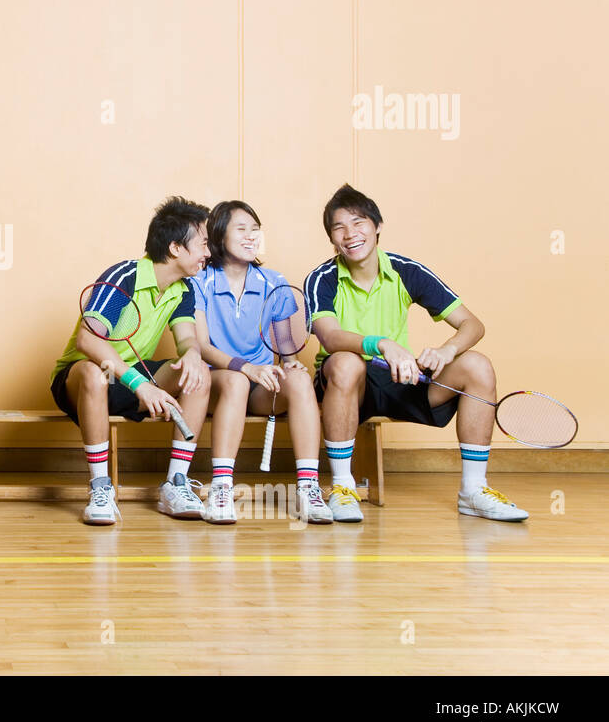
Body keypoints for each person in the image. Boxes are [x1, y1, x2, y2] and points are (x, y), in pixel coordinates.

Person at [304, 185, 527, 522]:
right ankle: (342, 487)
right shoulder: (322, 278)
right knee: (346, 363)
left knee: (477, 365)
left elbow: (472, 325)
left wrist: (446, 351)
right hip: (345, 384)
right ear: (332, 240)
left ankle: (473, 490)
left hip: (400, 379)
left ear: (377, 226)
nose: (351, 234)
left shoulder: (407, 271)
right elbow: (331, 338)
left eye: (359, 222)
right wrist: (382, 344)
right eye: (339, 228)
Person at [50, 197, 211, 525]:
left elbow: (186, 338)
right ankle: (100, 488)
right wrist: (140, 385)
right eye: (204, 244)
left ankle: (175, 484)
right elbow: (88, 338)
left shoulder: (184, 289)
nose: (209, 253)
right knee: (95, 375)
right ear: (176, 247)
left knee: (199, 373)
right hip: (83, 379)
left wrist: (193, 355)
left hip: (129, 379)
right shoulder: (125, 276)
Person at [189, 201, 333, 525]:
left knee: (297, 380)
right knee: (237, 380)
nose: (251, 236)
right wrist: (245, 367)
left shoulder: (273, 282)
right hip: (217, 381)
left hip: (261, 385)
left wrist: (292, 364)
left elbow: (284, 347)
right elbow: (201, 345)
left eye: (255, 230)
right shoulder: (200, 281)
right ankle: (222, 488)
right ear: (218, 235)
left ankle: (308, 488)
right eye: (242, 229)